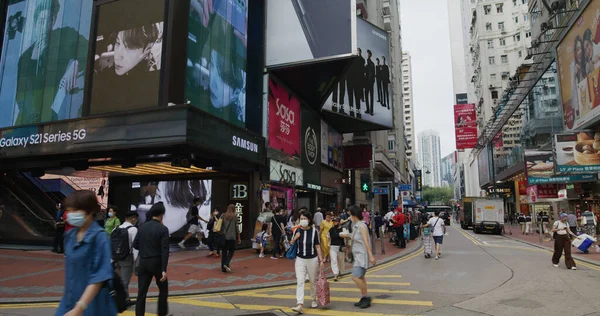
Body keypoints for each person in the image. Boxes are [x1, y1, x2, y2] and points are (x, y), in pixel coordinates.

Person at [55, 190, 117, 316]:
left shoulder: (100, 237)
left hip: (93, 306)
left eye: (75, 210)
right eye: (69, 210)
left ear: (89, 211)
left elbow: (99, 277)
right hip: (69, 302)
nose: (70, 215)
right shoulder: (70, 235)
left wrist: (80, 308)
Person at [133, 203, 170, 316]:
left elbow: (135, 244)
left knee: (141, 293)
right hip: (157, 263)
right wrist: (164, 269)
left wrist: (145, 249)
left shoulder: (142, 226)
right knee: (163, 290)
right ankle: (161, 313)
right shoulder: (163, 229)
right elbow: (165, 251)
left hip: (143, 262)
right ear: (161, 215)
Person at [290, 210, 325, 314]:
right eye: (301, 219)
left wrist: (321, 259)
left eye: (305, 219)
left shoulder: (314, 232)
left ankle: (313, 299)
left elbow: (317, 246)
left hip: (312, 259)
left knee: (312, 281)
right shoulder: (297, 231)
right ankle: (299, 304)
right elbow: (291, 243)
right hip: (300, 259)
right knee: (300, 281)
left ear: (309, 220)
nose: (303, 220)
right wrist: (295, 238)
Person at [344, 205, 376, 309]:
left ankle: (366, 298)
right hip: (357, 256)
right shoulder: (356, 225)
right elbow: (354, 237)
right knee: (361, 277)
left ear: (354, 215)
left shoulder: (362, 226)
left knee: (355, 277)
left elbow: (366, 241)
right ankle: (364, 297)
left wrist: (371, 256)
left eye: (350, 215)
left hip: (362, 256)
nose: (349, 217)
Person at [115, 211, 139, 307]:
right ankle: (123, 301)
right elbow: (135, 246)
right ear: (133, 218)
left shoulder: (116, 229)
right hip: (127, 258)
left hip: (116, 258)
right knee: (125, 281)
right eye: (136, 219)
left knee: (119, 279)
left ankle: (126, 298)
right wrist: (135, 259)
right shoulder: (133, 229)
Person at [221, 204, 241, 273]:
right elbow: (237, 228)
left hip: (224, 236)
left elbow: (219, 224)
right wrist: (239, 238)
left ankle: (223, 268)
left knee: (224, 251)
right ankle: (226, 263)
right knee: (231, 251)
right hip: (232, 237)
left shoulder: (223, 215)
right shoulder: (234, 217)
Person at [329, 217, 345, 281]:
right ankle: (335, 274)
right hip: (332, 247)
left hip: (340, 247)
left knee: (340, 261)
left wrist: (346, 246)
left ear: (339, 222)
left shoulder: (343, 229)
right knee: (334, 260)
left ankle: (339, 271)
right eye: (334, 221)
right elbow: (328, 237)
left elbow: (347, 238)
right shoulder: (331, 229)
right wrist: (328, 244)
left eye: (336, 221)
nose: (335, 223)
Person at [364, 50, 375, 115]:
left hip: (370, 83)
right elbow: (365, 72)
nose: (367, 55)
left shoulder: (372, 64)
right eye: (367, 54)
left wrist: (372, 82)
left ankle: (371, 111)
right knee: (367, 96)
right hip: (367, 83)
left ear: (370, 55)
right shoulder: (367, 64)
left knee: (371, 96)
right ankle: (368, 109)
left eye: (368, 54)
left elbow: (373, 74)